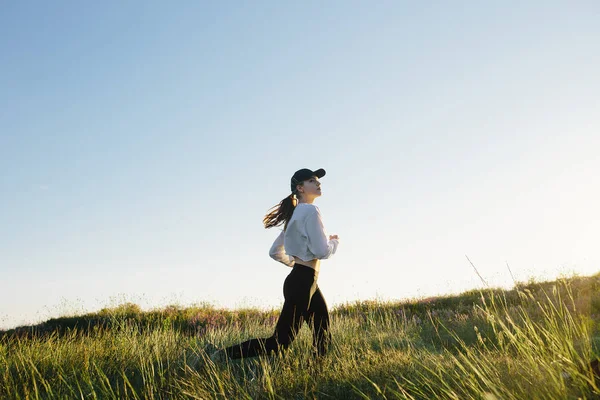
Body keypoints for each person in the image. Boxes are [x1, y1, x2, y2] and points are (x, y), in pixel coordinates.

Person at [207, 168, 340, 363]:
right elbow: (321, 251)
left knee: (322, 330)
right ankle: (219, 355)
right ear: (300, 188)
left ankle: (317, 372)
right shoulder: (311, 211)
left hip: (303, 280)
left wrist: (297, 261)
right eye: (312, 180)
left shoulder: (294, 216)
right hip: (303, 281)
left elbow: (274, 252)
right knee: (280, 342)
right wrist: (334, 242)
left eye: (318, 180)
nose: (318, 183)